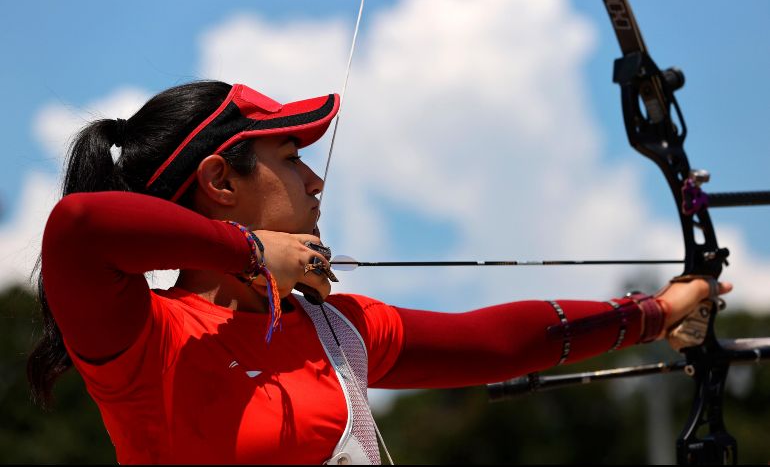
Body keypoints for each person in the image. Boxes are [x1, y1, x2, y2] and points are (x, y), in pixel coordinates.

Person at [29, 80, 731, 465]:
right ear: (219, 180)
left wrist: (657, 311)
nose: (315, 180)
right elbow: (80, 226)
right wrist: (252, 253)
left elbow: (498, 343)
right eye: (290, 157)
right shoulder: (151, 341)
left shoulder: (338, 331)